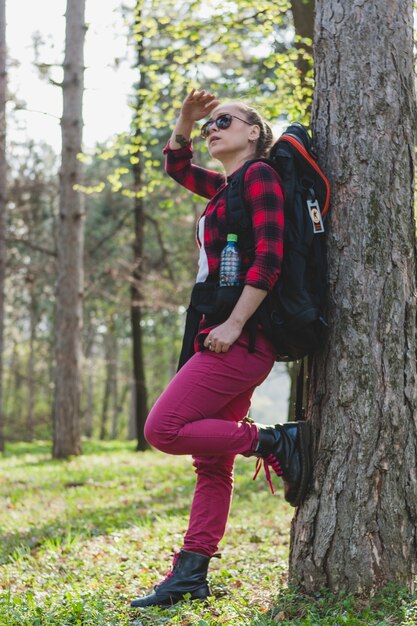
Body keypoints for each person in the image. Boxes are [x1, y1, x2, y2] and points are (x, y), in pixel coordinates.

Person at [130, 88, 312, 609]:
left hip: (239, 338)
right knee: (211, 464)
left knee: (162, 430)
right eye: (209, 124)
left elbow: (269, 260)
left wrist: (233, 324)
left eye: (223, 121)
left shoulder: (258, 177)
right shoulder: (226, 190)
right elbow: (176, 166)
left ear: (253, 132)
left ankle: (273, 441)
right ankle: (191, 574)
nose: (213, 129)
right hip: (218, 333)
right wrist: (187, 116)